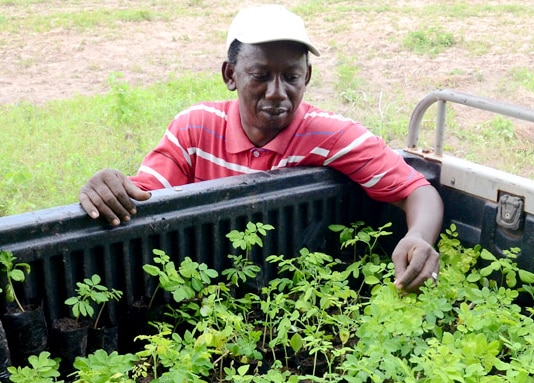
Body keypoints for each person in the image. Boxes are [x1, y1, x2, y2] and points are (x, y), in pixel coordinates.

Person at [79, 4, 443, 292]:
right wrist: (108, 185)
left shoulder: (328, 134)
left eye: (291, 77)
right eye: (261, 76)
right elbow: (144, 196)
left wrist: (417, 237)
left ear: (308, 78)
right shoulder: (194, 128)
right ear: (230, 75)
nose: (277, 92)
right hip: (203, 287)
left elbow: (417, 190)